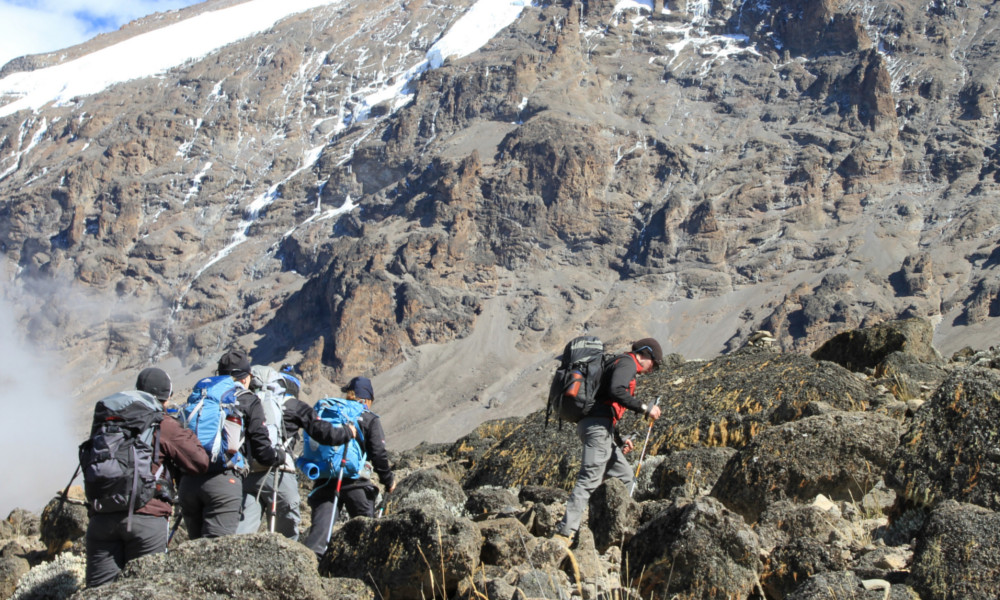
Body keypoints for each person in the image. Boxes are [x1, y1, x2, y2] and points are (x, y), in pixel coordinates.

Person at [85, 368, 209, 587]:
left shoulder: (109, 422)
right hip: (146, 517)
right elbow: (199, 462)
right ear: (167, 396)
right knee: (145, 588)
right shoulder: (162, 423)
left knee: (98, 592)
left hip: (101, 516)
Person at [555, 338, 663, 544]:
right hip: (596, 428)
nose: (652, 369)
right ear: (646, 354)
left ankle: (614, 529)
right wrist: (645, 408)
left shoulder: (617, 362)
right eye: (654, 364)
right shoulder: (627, 363)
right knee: (590, 477)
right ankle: (565, 531)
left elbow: (607, 405)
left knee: (625, 475)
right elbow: (616, 391)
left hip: (598, 426)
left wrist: (619, 439)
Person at [178, 349, 287, 539]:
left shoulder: (201, 395)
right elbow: (261, 449)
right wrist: (278, 456)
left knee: (193, 552)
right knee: (217, 552)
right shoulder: (247, 399)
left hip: (189, 481)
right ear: (246, 377)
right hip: (223, 480)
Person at [236, 368, 356, 539]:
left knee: (243, 532)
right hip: (279, 474)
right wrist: (347, 432)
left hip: (248, 474)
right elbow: (323, 433)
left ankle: (238, 565)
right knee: (287, 534)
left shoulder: (248, 402)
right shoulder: (293, 406)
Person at [302, 376, 396, 556]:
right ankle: (365, 568)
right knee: (366, 530)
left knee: (319, 534)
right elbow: (378, 453)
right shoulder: (368, 417)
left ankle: (311, 567)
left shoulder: (331, 412)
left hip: (326, 478)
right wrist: (388, 480)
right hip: (355, 481)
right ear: (368, 399)